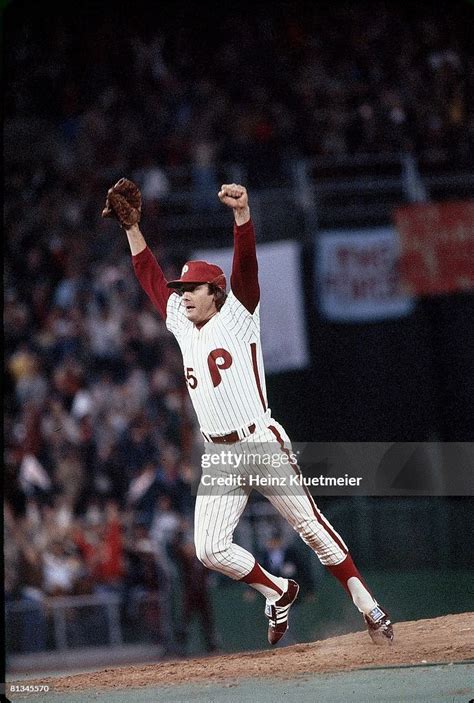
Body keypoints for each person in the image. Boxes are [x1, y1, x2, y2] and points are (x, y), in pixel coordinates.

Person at [102, 179, 394, 646]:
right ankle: (277, 590)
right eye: (184, 288)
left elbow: (247, 270)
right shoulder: (180, 321)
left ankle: (368, 605)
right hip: (219, 454)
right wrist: (133, 229)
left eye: (194, 287)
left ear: (215, 292)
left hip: (259, 439)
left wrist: (242, 219)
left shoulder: (238, 314)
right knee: (209, 548)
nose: (184, 294)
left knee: (311, 528)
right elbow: (150, 277)